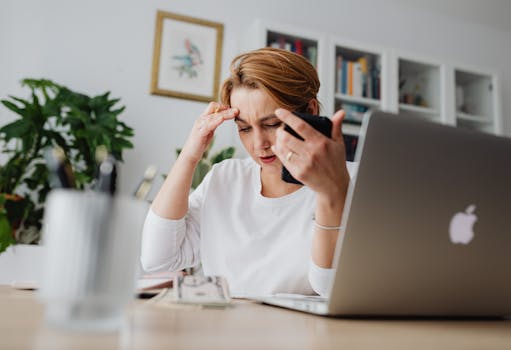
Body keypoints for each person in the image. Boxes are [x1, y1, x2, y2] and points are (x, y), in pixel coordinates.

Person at [141, 47, 356, 297]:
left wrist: (331, 193)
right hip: (227, 331)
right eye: (244, 128)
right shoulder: (225, 177)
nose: (259, 144)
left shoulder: (352, 181)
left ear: (310, 111)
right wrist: (190, 155)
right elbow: (158, 260)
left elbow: (330, 288)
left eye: (272, 124)